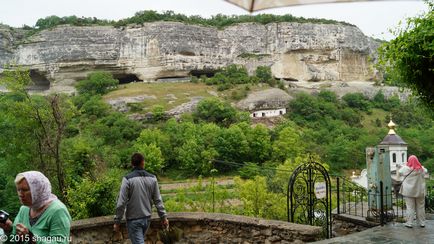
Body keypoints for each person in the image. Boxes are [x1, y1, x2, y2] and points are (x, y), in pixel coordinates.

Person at [0, 171, 72, 243]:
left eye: (25, 190)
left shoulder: (58, 211)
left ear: (38, 190)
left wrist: (32, 239)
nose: (20, 194)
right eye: (18, 189)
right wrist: (8, 230)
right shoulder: (24, 209)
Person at [114, 153, 169, 244]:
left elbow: (121, 203)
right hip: (147, 219)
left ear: (132, 164)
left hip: (134, 220)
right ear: (143, 163)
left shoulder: (127, 179)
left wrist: (117, 221)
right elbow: (158, 200)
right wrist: (163, 217)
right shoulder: (153, 178)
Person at [399, 155, 428, 228]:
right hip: (419, 192)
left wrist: (406, 165)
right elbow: (425, 172)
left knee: (410, 208)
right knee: (421, 207)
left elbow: (400, 172)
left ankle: (409, 223)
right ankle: (422, 223)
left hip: (409, 192)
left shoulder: (405, 169)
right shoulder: (422, 169)